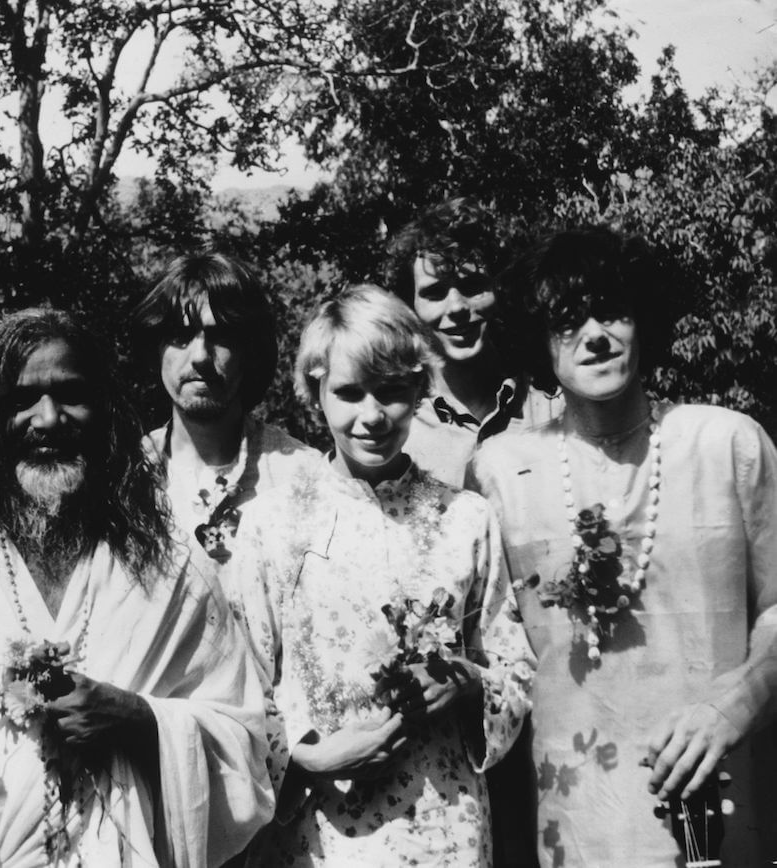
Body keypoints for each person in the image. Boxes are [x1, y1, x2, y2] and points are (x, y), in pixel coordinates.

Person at [0, 308, 273, 867]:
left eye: (71, 394)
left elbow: (249, 747)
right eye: (21, 400)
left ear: (106, 411)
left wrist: (140, 721)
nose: (49, 419)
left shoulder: (173, 571)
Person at [467, 226, 777, 866]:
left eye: (612, 310)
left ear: (646, 323)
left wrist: (741, 697)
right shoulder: (500, 472)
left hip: (724, 801)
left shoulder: (726, 444)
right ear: (537, 340)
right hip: (570, 820)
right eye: (565, 319)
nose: (595, 335)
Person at [238, 285, 534, 866]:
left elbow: (515, 665)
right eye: (349, 393)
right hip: (320, 834)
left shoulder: (466, 518)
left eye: (393, 392)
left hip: (446, 823)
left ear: (422, 388)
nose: (371, 416)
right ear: (314, 390)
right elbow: (240, 684)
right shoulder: (271, 525)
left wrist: (468, 682)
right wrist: (304, 756)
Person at [132, 251, 319, 566]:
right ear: (156, 350)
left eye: (222, 337)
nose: (200, 356)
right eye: (180, 335)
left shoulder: (303, 476)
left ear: (250, 352)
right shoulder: (128, 476)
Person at [387, 197, 561, 487]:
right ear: (410, 306)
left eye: (472, 285)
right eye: (435, 293)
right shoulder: (396, 431)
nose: (456, 306)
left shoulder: (553, 406)